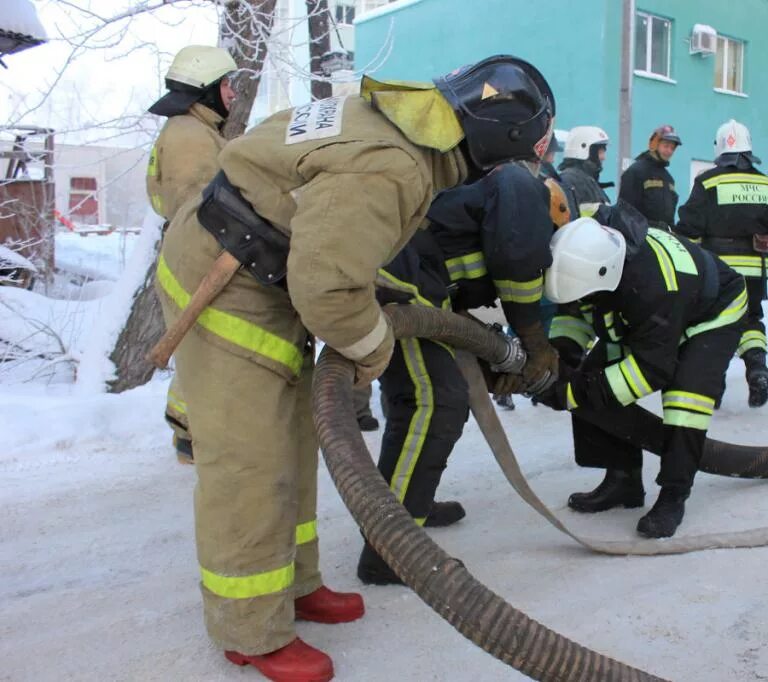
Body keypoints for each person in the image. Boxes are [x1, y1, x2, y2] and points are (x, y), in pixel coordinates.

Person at [156, 55, 555, 681]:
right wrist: (373, 348)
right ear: (492, 145)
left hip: (259, 274)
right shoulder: (394, 165)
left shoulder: (382, 121)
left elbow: (322, 223)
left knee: (293, 444)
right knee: (252, 463)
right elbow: (327, 290)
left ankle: (293, 583)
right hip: (225, 285)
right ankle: (250, 630)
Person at [358, 158, 564, 585]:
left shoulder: (497, 205)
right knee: (434, 402)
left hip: (411, 275)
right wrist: (534, 343)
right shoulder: (525, 189)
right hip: (398, 275)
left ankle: (408, 503)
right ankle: (389, 549)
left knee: (417, 402)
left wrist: (493, 356)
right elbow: (518, 264)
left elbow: (457, 287)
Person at [539, 206, 747, 538]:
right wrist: (563, 356)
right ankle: (623, 480)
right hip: (653, 312)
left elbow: (650, 371)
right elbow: (574, 310)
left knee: (685, 401)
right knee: (591, 375)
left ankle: (673, 495)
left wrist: (573, 392)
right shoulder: (589, 258)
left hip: (711, 312)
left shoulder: (652, 285)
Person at [147, 45, 237, 465]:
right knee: (208, 346)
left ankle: (189, 430)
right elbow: (196, 209)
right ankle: (191, 433)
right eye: (225, 85)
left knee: (202, 345)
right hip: (197, 258)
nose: (232, 94)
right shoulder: (188, 136)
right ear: (205, 91)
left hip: (189, 255)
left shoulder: (194, 130)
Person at [676, 119, 768, 408]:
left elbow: (689, 225)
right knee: (750, 320)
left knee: (714, 326)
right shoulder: (767, 183)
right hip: (756, 271)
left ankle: (714, 387)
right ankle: (758, 369)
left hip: (718, 271)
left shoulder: (708, 181)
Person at [618, 124, 680, 232]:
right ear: (654, 144)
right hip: (641, 236)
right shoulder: (636, 172)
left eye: (672, 148)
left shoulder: (669, 179)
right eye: (666, 146)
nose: (669, 151)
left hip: (664, 237)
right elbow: (625, 212)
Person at [558, 125, 610, 216]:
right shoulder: (569, 180)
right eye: (600, 152)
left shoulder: (589, 180)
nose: (603, 157)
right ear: (584, 150)